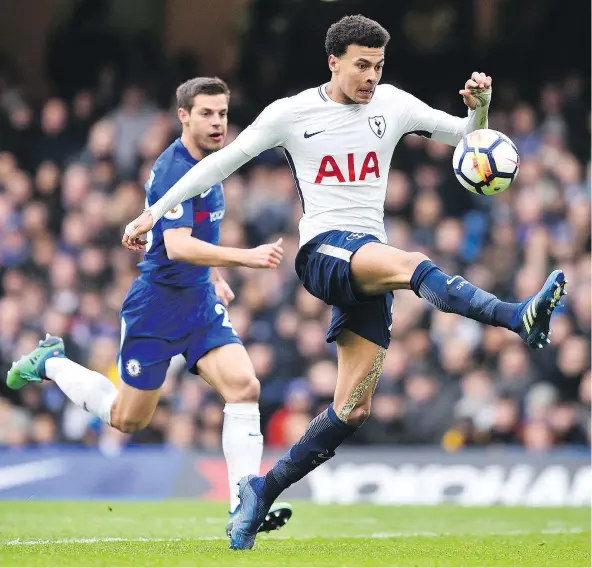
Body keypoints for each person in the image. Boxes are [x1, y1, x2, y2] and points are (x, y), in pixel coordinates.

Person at [121, 16, 567, 550]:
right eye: (361, 65)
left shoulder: (393, 105)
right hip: (324, 253)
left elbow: (467, 138)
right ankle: (515, 316)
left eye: (378, 66)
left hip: (366, 262)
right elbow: (219, 165)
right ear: (333, 61)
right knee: (411, 263)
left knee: (351, 409)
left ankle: (260, 493)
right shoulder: (292, 114)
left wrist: (481, 110)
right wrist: (156, 212)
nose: (371, 77)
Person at [6, 77, 293, 537]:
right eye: (206, 113)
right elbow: (177, 246)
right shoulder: (173, 167)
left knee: (244, 386)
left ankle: (246, 502)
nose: (217, 122)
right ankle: (53, 363)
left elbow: (186, 236)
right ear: (184, 115)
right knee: (127, 418)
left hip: (197, 301)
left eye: (222, 113)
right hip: (156, 308)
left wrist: (214, 276)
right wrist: (244, 258)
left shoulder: (215, 163)